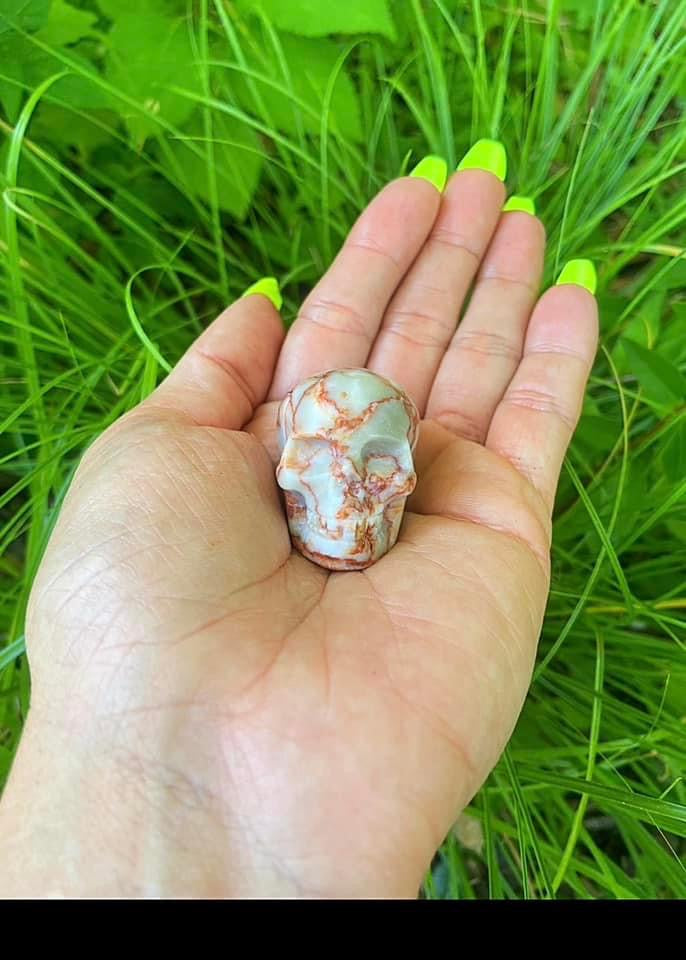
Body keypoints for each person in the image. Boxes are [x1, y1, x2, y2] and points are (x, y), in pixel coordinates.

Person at [0, 141, 598, 898]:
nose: (377, 485)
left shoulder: (379, 474)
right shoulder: (298, 479)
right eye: (328, 461)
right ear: (289, 469)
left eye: (388, 465)